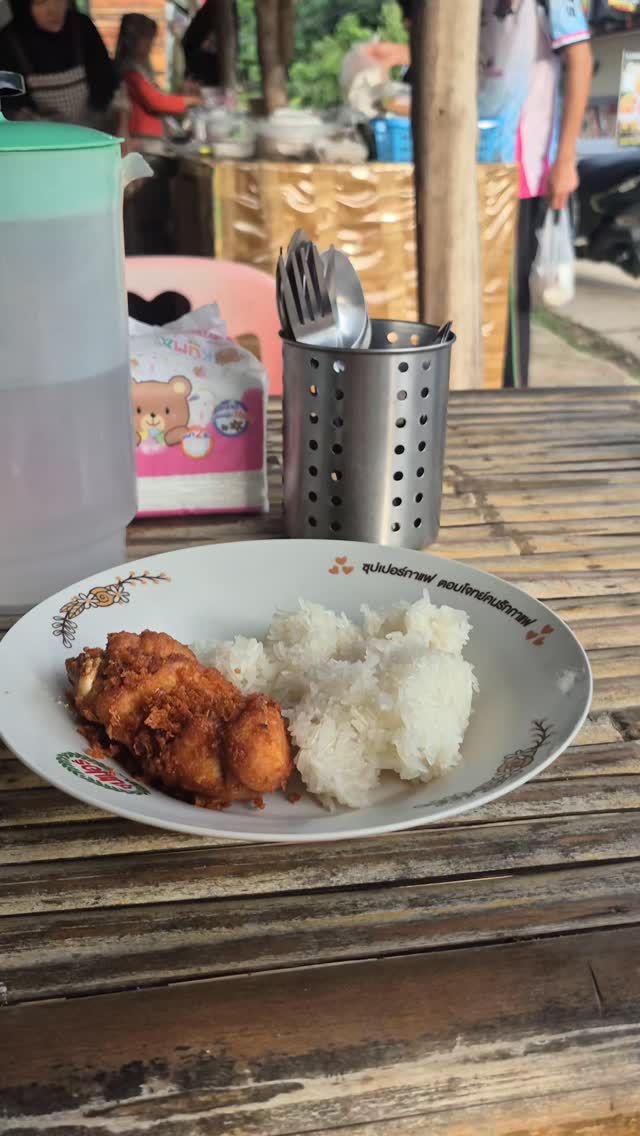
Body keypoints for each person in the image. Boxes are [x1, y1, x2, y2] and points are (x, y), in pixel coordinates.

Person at [478, 1, 593, 388]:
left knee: (510, 298)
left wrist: (565, 161)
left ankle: (512, 395)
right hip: (475, 167)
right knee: (481, 292)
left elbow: (581, 60)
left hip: (522, 170)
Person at [0, 0, 117, 126]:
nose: (53, 10)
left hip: (93, 128)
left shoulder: (82, 27)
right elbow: (11, 106)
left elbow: (108, 82)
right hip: (42, 134)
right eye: (40, 3)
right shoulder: (7, 43)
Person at [115, 12, 199, 141]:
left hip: (151, 135)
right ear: (132, 40)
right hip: (141, 138)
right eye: (146, 38)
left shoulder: (142, 69)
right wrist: (189, 100)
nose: (150, 44)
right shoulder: (130, 72)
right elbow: (155, 101)